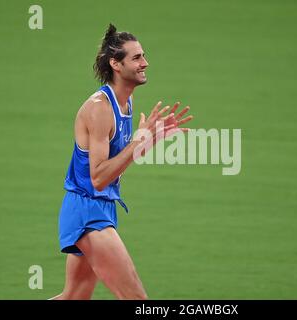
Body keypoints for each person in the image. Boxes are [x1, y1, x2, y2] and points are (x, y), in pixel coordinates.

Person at [50, 23, 193, 300]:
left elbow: (117, 161)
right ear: (116, 64)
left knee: (74, 297)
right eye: (137, 58)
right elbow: (99, 177)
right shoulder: (100, 109)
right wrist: (138, 143)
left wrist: (147, 141)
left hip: (100, 206)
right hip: (87, 212)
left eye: (143, 56)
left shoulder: (125, 104)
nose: (145, 63)